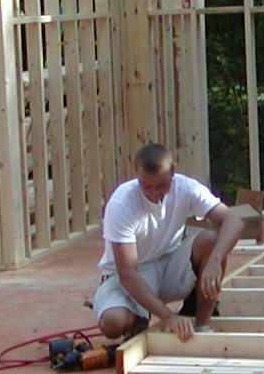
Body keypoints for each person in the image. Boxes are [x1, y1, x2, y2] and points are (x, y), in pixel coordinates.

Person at [94, 144, 246, 344]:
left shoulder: (187, 188)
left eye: (161, 185)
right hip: (131, 276)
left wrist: (215, 260)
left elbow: (233, 221)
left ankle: (202, 324)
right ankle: (136, 319)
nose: (154, 193)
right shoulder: (122, 204)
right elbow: (128, 275)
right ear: (137, 175)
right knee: (113, 323)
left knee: (212, 241)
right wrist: (168, 317)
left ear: (172, 172)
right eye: (146, 186)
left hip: (169, 265)